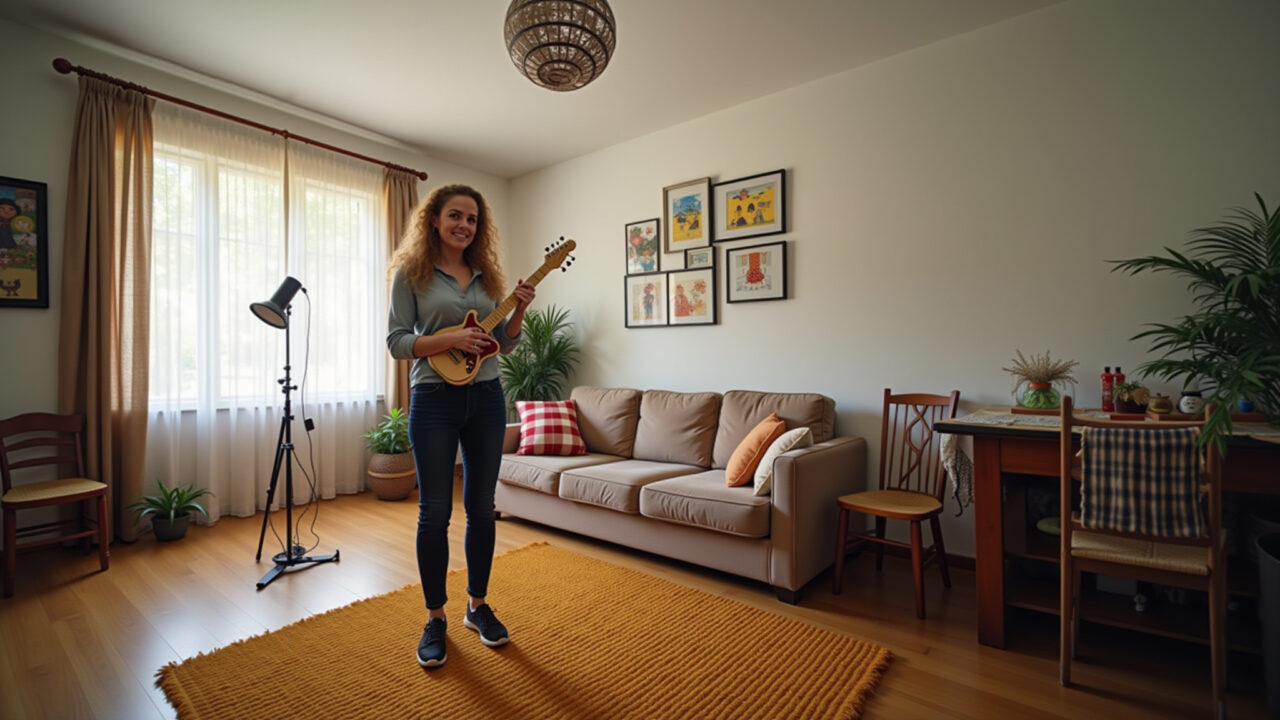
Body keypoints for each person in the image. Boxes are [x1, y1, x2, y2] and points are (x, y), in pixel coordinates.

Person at [386, 184, 536, 668]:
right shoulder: (411, 275)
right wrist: (447, 337)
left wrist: (519, 311)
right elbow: (397, 341)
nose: (464, 226)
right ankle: (435, 618)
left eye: (472, 219)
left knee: (481, 506)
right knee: (434, 513)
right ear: (434, 219)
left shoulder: (486, 277)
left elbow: (504, 346)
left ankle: (477, 606)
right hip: (432, 399)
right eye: (455, 216)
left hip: (488, 398)